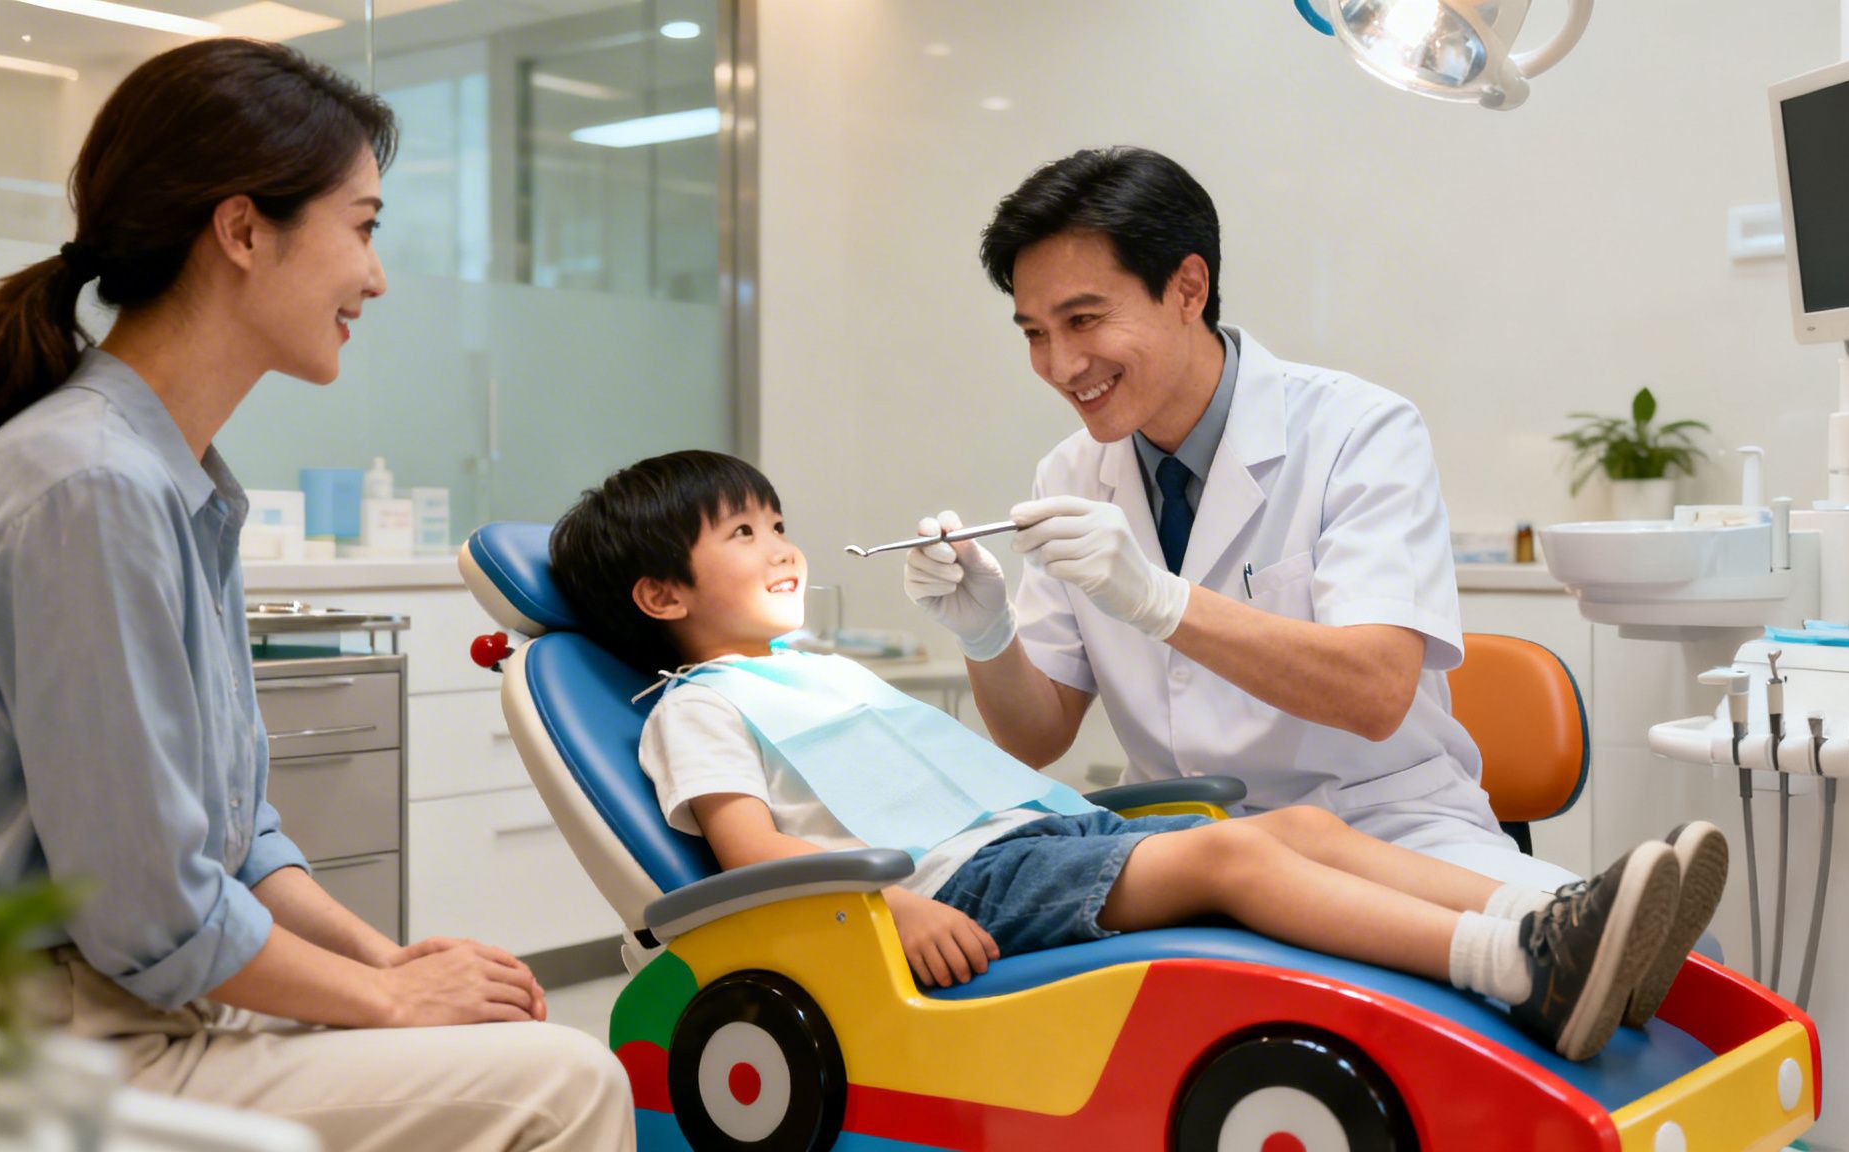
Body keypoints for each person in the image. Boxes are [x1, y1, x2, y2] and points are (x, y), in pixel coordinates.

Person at [548, 449, 1730, 1063]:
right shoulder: (694, 706)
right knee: (1234, 870)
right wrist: (889, 912)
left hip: (1040, 842)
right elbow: (750, 858)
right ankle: (1513, 961)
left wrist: (983, 633)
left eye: (776, 521)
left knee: (1302, 832)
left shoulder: (827, 676)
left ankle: (1570, 917)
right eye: (741, 534)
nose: (782, 546)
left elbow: (987, 766)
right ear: (658, 594)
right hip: (959, 891)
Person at [0, 40, 630, 1150]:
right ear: (242, 231)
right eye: (365, 226)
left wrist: (389, 962)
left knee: (505, 1040)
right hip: (71, 1040)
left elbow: (237, 844)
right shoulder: (93, 484)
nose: (377, 278)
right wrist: (389, 1004)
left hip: (145, 1004)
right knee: (565, 1082)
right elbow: (150, 909)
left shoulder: (175, 482)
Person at [902, 145, 1579, 895]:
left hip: (1383, 830)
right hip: (1180, 845)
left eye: (1083, 319)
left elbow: (1376, 692)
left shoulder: (1359, 430)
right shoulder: (1069, 473)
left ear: (1188, 288)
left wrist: (1162, 602)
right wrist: (985, 633)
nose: (1061, 365)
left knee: (1564, 970)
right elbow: (1035, 736)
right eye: (1034, 333)